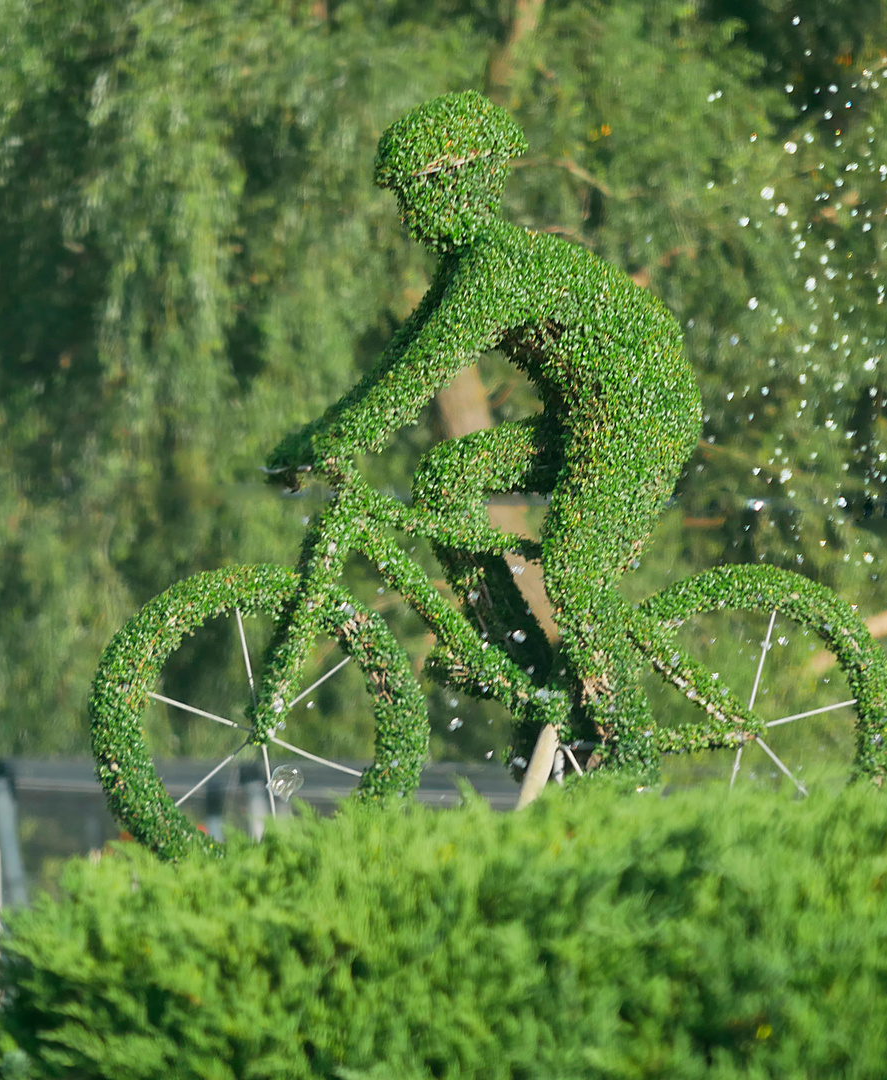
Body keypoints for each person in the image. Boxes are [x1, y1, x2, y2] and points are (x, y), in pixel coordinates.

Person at [267, 90, 700, 773]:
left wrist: (336, 442)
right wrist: (317, 435)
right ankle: (523, 667)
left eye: (419, 197)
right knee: (445, 477)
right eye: (403, 202)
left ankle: (623, 745)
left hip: (644, 417)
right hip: (582, 421)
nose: (410, 220)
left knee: (575, 567)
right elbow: (397, 363)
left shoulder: (496, 270)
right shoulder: (468, 268)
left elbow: (420, 377)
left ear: (462, 184)